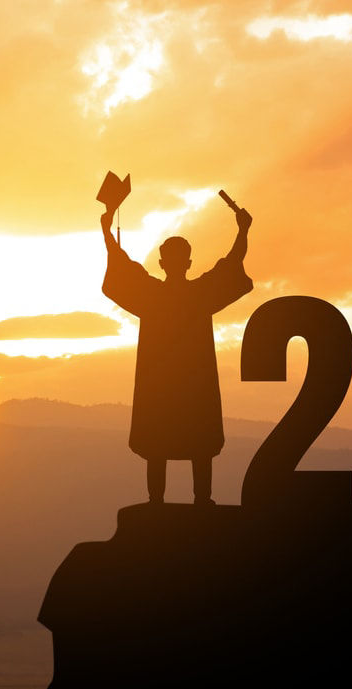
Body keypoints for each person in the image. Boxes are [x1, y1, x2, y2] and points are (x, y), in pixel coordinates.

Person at [101, 200, 254, 505]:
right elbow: (231, 265)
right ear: (188, 263)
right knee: (196, 441)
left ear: (162, 264)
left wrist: (106, 231)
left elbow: (121, 265)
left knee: (160, 440)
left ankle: (157, 501)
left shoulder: (151, 296)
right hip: (193, 383)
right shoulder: (199, 295)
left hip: (162, 384)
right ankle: (201, 500)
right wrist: (243, 231)